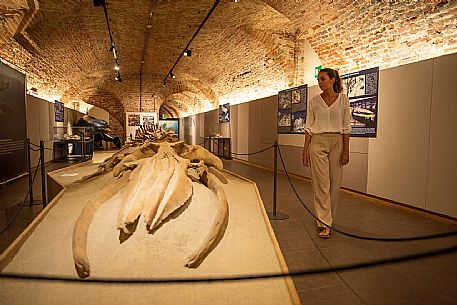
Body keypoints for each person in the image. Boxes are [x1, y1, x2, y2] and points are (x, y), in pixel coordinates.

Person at [302, 68, 351, 238]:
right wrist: (305, 150)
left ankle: (329, 219)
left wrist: (346, 150)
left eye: (323, 79)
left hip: (337, 142)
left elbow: (346, 128)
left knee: (335, 184)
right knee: (321, 184)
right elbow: (308, 127)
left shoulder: (343, 100)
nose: (319, 82)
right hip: (317, 142)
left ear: (332, 79)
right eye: (318, 79)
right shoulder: (314, 101)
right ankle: (324, 223)